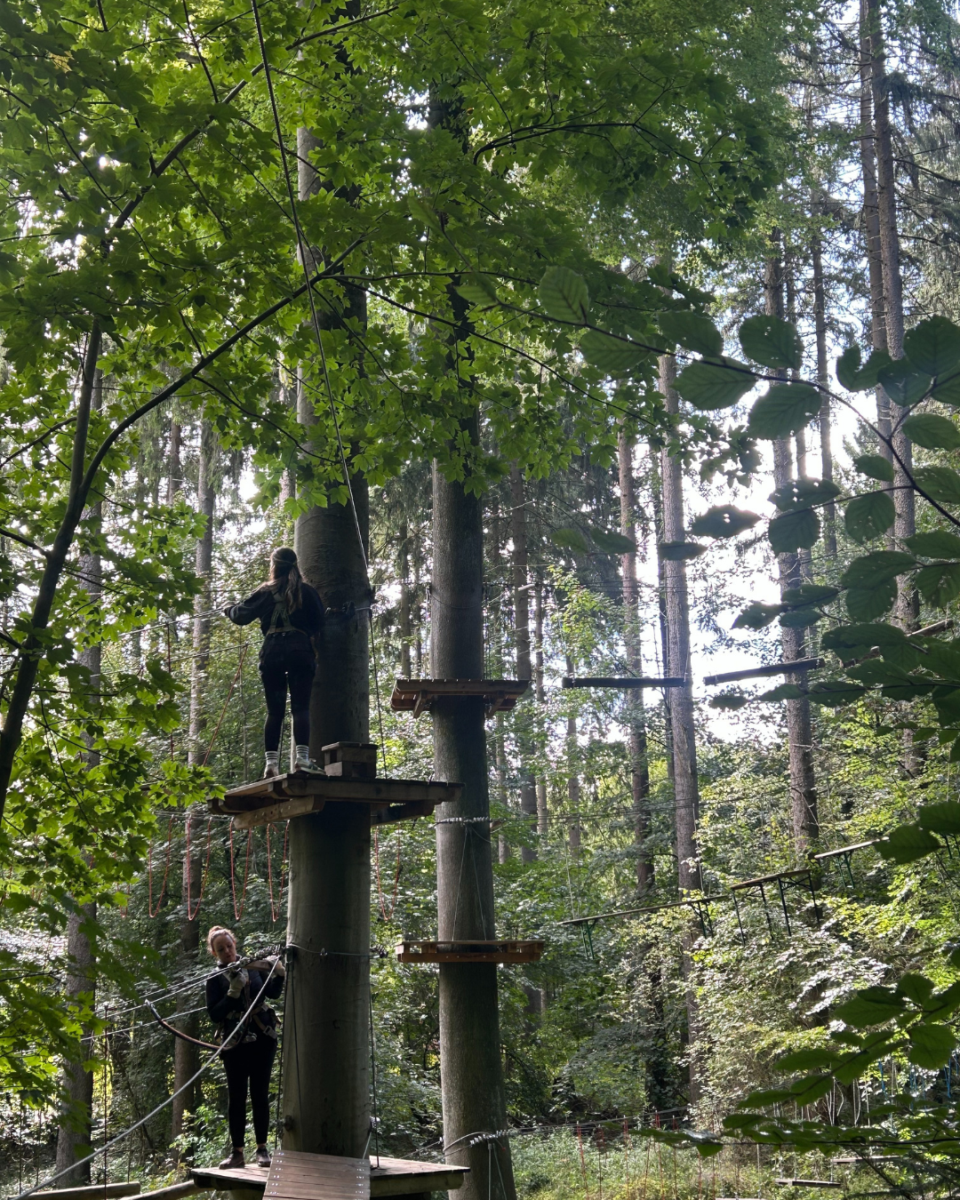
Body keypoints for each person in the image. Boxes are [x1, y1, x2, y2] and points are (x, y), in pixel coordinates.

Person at [223, 547, 324, 778]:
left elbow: (240, 615)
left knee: (274, 710)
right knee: (300, 707)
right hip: (300, 651)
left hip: (272, 653)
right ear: (295, 565)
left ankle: (271, 765)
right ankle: (302, 760)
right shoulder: (307, 592)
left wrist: (228, 608)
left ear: (274, 566)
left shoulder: (264, 592)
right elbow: (319, 622)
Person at [205, 925, 285, 1170]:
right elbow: (214, 1014)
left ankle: (262, 1149)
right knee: (237, 1096)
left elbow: (271, 994)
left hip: (262, 1036)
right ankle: (237, 1153)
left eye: (229, 946)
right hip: (234, 1042)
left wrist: (279, 974)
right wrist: (232, 993)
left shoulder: (255, 966)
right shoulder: (214, 978)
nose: (227, 952)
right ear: (214, 953)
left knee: (259, 1093)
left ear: (235, 944)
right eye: (221, 949)